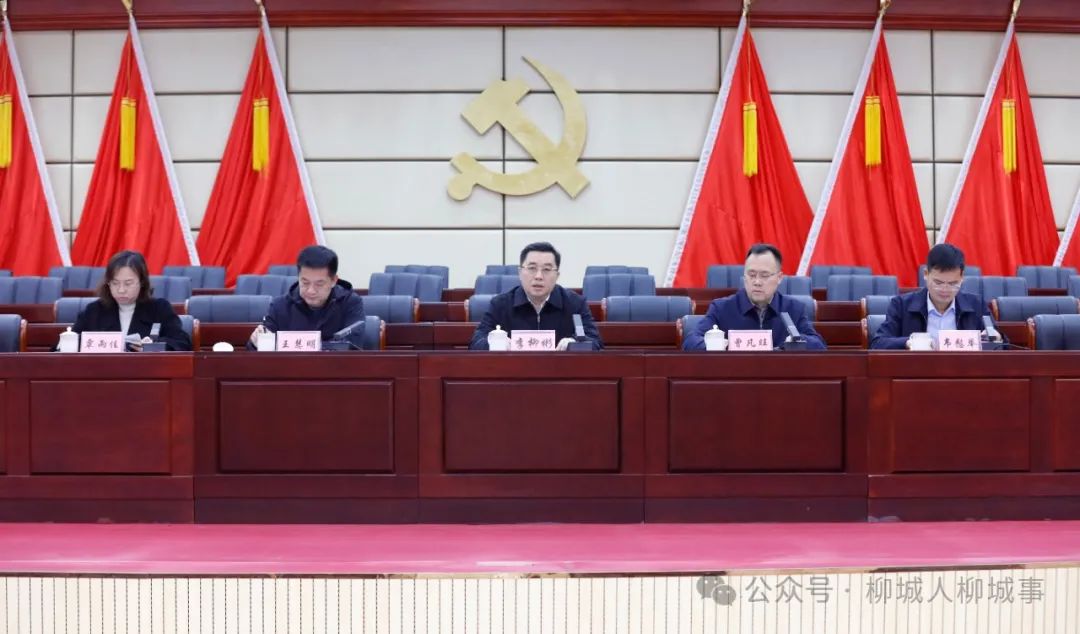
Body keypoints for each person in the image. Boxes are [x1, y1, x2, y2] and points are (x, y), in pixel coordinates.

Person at [683, 243, 826, 350]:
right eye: (751, 275)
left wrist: (795, 343)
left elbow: (819, 345)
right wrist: (719, 346)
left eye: (764, 275)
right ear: (744, 276)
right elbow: (690, 342)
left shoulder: (793, 309)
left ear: (779, 278)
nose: (757, 282)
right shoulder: (721, 308)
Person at [469, 241, 603, 350]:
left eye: (546, 269)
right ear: (520, 272)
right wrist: (495, 344)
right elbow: (476, 343)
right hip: (513, 373)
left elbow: (596, 343)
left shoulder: (575, 303)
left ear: (557, 275)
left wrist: (575, 344)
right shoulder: (500, 304)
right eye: (532, 268)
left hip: (559, 372)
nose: (538, 276)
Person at [871, 243, 997, 349]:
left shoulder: (977, 305)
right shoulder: (901, 305)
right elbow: (878, 343)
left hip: (964, 370)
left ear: (962, 277)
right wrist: (909, 343)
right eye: (938, 282)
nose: (945, 289)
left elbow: (1000, 346)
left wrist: (994, 341)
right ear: (926, 274)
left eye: (953, 283)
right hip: (917, 370)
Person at [68, 250, 192, 351]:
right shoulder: (93, 311)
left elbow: (182, 343)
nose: (121, 290)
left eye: (128, 283)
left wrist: (153, 346)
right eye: (115, 283)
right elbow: (69, 344)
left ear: (142, 282)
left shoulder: (159, 309)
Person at [248, 245, 366, 349]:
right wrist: (256, 342)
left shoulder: (350, 303)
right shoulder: (280, 306)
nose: (311, 291)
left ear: (333, 280)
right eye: (305, 282)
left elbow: (353, 346)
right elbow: (258, 350)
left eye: (319, 284)